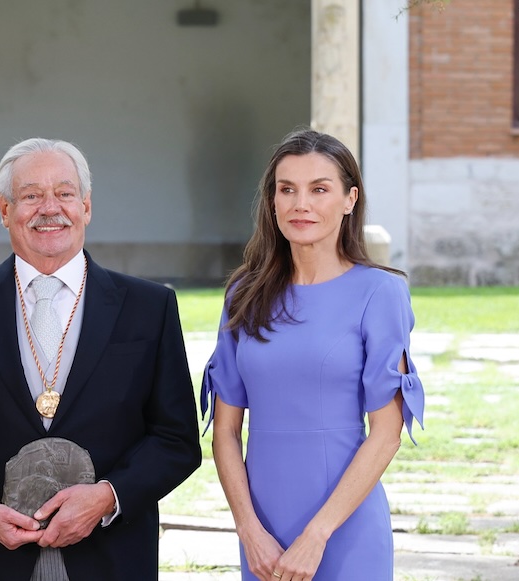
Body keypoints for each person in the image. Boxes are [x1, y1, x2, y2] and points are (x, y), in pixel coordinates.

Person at [0, 138, 201, 580]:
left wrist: (107, 498)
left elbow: (176, 440)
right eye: (31, 195)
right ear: (4, 210)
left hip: (110, 555)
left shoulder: (149, 307)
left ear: (86, 206)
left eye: (64, 192)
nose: (49, 208)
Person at [200, 129, 424, 581]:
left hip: (344, 529)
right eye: (288, 190)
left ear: (349, 199)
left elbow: (386, 433)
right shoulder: (244, 294)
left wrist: (316, 535)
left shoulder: (380, 293)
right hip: (262, 534)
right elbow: (224, 431)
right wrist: (249, 531)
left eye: (319, 189)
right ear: (273, 201)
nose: (301, 204)